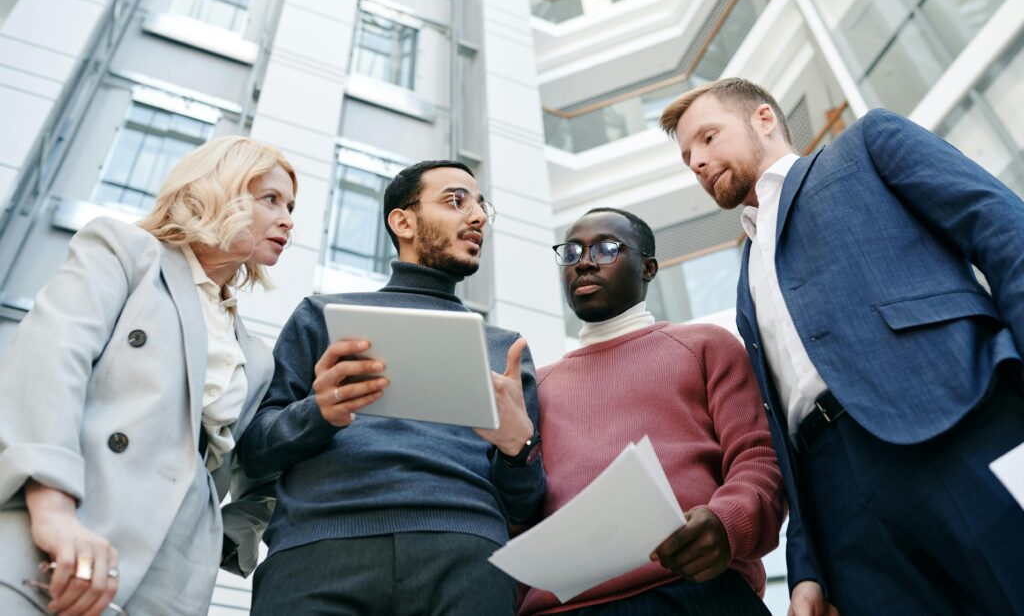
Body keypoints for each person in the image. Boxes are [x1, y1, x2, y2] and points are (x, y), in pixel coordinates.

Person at [659, 76, 1024, 616]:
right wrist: (807, 567)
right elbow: (781, 426)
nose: (697, 161)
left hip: (958, 424)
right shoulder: (745, 280)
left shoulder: (867, 146)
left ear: (764, 119)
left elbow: (1005, 234)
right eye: (688, 159)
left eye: (708, 138)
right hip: (842, 506)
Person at [0, 136, 297, 615]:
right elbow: (49, 363)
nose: (287, 219)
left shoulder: (256, 358)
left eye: (290, 206)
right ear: (218, 190)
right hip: (64, 532)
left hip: (172, 577)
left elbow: (257, 470)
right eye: (271, 199)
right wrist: (53, 508)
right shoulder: (126, 252)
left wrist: (214, 539)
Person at [237, 160, 544, 615]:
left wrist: (520, 449)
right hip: (317, 553)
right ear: (403, 222)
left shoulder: (506, 350)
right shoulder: (321, 317)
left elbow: (526, 506)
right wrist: (319, 412)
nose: (479, 217)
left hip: (468, 558)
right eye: (457, 201)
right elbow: (253, 452)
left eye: (483, 207)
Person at [518, 207, 784, 616]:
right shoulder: (537, 386)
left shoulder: (705, 346)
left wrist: (726, 522)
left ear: (648, 267)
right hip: (566, 608)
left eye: (606, 249)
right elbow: (521, 505)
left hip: (697, 590)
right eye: (572, 252)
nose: (584, 262)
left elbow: (758, 457)